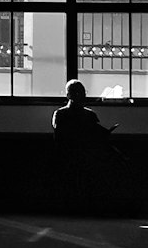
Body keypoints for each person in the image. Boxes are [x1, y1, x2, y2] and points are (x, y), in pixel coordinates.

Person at [51, 80, 123, 212]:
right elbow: (96, 134)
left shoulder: (60, 114)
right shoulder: (89, 115)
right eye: (79, 93)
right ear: (69, 95)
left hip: (69, 156)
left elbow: (60, 137)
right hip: (84, 155)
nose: (81, 96)